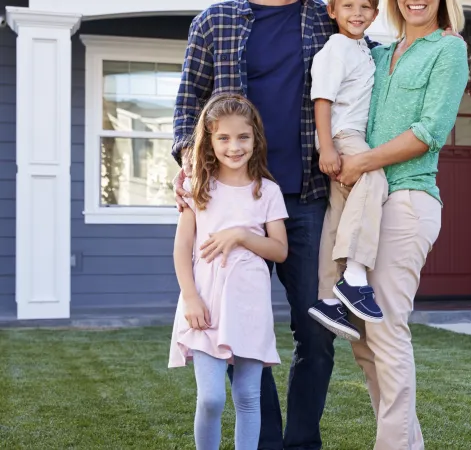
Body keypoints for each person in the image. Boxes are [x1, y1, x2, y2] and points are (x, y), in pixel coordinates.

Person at [170, 1, 379, 448]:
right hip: (237, 200)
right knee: (237, 329)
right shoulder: (214, 22)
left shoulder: (324, 19)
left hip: (307, 197)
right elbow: (188, 111)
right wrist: (190, 163)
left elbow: (368, 57)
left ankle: (302, 442)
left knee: (318, 330)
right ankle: (262, 441)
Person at [333, 0, 469, 448]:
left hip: (407, 199)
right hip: (369, 202)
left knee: (386, 330)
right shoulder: (376, 53)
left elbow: (430, 130)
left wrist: (361, 162)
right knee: (363, 340)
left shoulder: (447, 50)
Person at [168, 93, 289, 450]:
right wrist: (190, 297)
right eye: (223, 138)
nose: (234, 146)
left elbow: (279, 250)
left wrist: (240, 236)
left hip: (249, 306)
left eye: (243, 137)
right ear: (209, 139)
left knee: (248, 397)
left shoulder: (267, 191)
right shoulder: (197, 189)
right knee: (211, 399)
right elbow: (181, 248)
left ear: (255, 139)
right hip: (205, 302)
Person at [307, 0, 388, 342]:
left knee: (338, 214)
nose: (357, 13)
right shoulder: (337, 46)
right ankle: (354, 274)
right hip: (343, 135)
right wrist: (327, 146)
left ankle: (327, 298)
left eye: (365, 7)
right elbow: (322, 99)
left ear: (375, 14)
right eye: (348, 5)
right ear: (332, 11)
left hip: (346, 136)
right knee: (374, 178)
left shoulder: (364, 49)